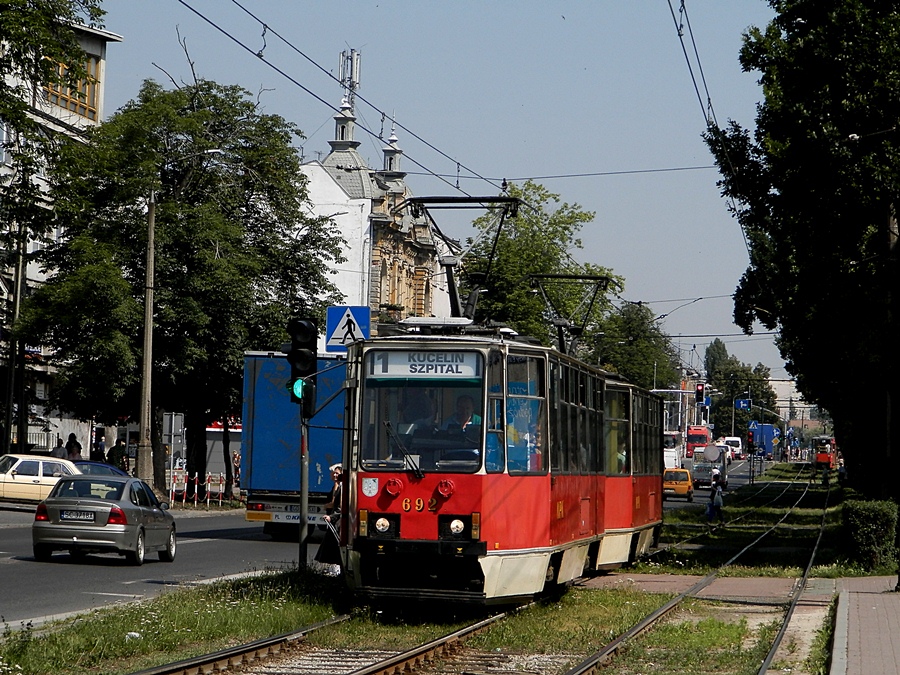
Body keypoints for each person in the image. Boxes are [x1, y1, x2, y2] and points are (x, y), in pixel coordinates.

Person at [315, 464, 343, 573]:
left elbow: (339, 505)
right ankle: (334, 566)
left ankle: (337, 567)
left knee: (334, 543)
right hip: (334, 518)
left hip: (337, 519)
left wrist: (330, 513)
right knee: (331, 543)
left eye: (337, 473)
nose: (335, 475)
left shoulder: (342, 486)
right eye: (333, 473)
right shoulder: (336, 486)